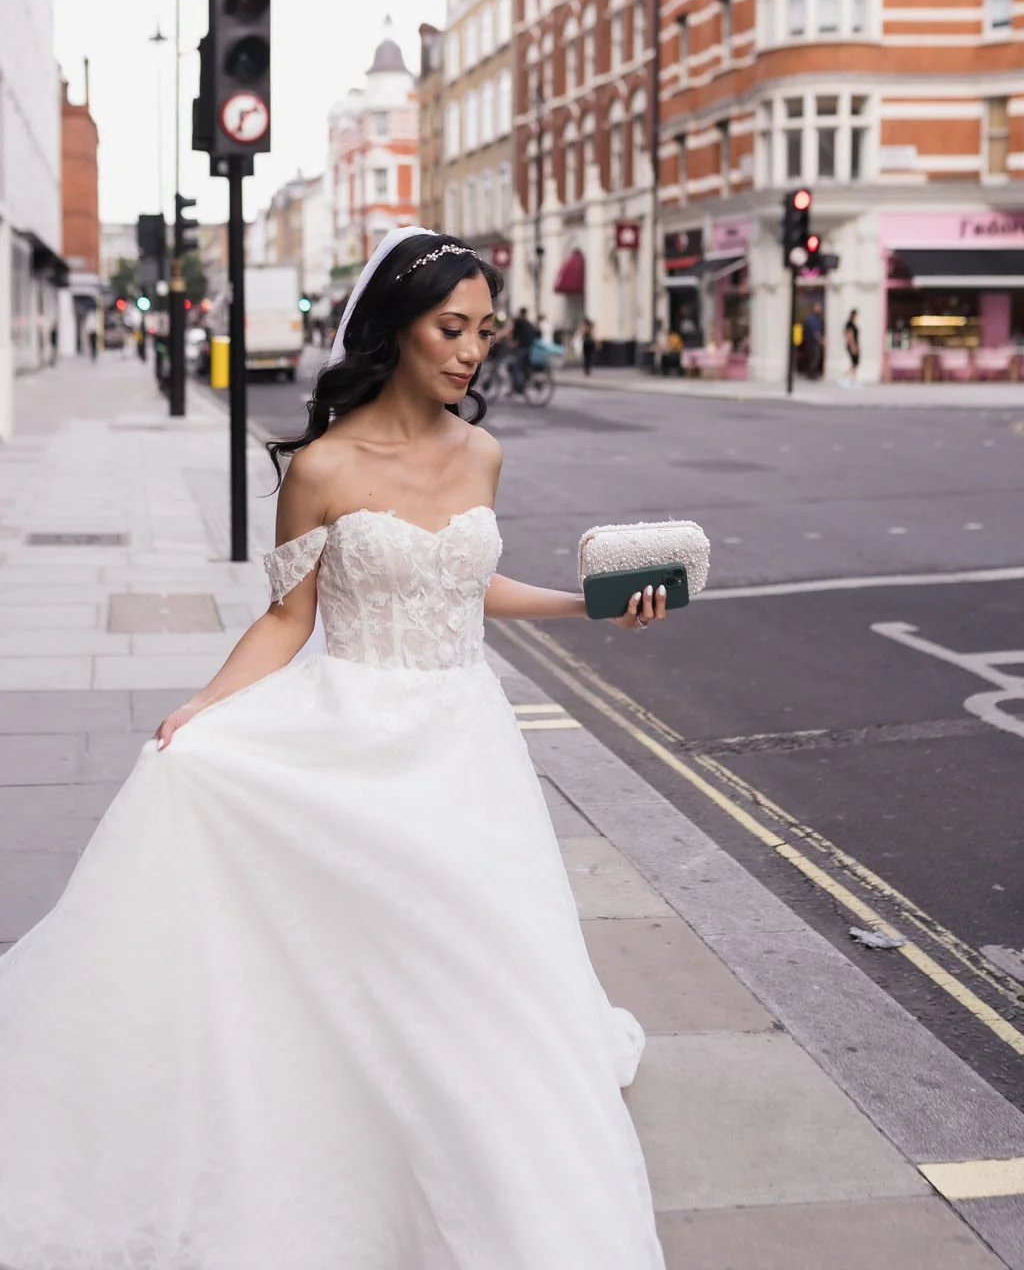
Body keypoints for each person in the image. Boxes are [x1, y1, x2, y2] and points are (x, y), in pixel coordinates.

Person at [0, 226, 668, 1270]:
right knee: (365, 961)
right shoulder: (320, 465)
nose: (469, 352)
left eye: (484, 332)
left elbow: (466, 586)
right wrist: (203, 710)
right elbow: (284, 621)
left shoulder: (481, 451)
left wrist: (587, 606)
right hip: (349, 735)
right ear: (396, 327)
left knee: (481, 964)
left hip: (463, 740)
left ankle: (489, 1149)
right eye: (452, 328)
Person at [509, 302, 538, 393]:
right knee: (524, 367)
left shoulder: (518, 321)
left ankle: (518, 387)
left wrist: (512, 342)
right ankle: (523, 382)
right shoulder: (528, 323)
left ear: (520, 313)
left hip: (521, 348)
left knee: (515, 366)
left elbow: (514, 334)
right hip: (529, 348)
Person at [803, 300, 824, 379]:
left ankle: (811, 373)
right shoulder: (812, 318)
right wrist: (821, 340)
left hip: (812, 342)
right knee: (814, 358)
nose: (820, 308)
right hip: (813, 343)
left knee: (813, 358)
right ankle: (811, 374)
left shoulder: (816, 318)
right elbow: (815, 331)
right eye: (818, 307)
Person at [843, 307, 860, 385]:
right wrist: (853, 345)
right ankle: (846, 376)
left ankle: (853, 378)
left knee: (855, 363)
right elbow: (850, 335)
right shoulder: (849, 324)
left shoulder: (852, 323)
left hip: (854, 344)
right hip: (851, 345)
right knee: (854, 362)